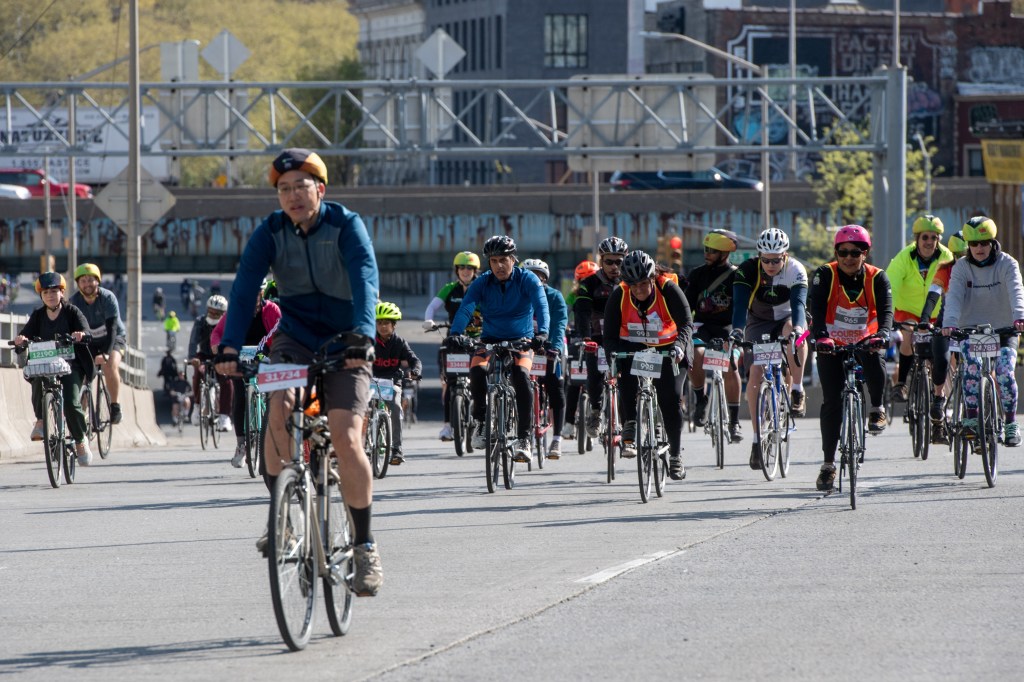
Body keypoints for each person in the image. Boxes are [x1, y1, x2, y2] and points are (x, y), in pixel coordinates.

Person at [214, 148, 382, 597]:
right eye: (283, 190)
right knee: (279, 409)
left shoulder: (346, 225)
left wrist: (364, 335)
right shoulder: (270, 232)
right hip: (296, 337)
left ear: (320, 189)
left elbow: (365, 275)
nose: (292, 196)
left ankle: (365, 546)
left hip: (348, 338)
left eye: (300, 187)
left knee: (346, 436)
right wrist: (229, 343)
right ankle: (282, 513)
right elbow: (245, 282)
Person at [447, 235, 549, 463]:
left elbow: (542, 306)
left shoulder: (528, 280)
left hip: (521, 340)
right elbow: (466, 308)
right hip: (490, 339)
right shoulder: (482, 282)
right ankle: (482, 423)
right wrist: (455, 333)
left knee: (521, 377)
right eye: (494, 261)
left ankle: (524, 438)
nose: (499, 266)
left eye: (504, 260)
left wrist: (543, 333)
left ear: (513, 259)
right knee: (476, 370)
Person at [809, 226, 893, 490]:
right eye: (842, 252)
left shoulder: (878, 278)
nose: (848, 258)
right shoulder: (824, 274)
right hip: (830, 341)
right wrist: (821, 336)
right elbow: (817, 308)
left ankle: (877, 408)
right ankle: (828, 466)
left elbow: (887, 311)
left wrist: (883, 333)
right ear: (836, 252)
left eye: (855, 253)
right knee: (832, 401)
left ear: (865, 253)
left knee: (875, 355)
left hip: (865, 337)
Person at [603, 250, 694, 481]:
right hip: (635, 346)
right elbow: (610, 336)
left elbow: (686, 324)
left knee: (670, 398)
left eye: (644, 284)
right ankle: (631, 422)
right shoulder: (619, 294)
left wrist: (679, 347)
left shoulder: (668, 289)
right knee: (623, 370)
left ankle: (675, 455)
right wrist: (613, 354)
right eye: (634, 285)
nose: (639, 290)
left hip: (670, 346)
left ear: (653, 278)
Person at [730, 227, 808, 470]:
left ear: (785, 256)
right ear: (759, 256)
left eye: (776, 260)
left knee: (797, 337)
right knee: (755, 372)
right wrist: (737, 331)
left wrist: (797, 328)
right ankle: (756, 439)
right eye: (766, 260)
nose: (771, 264)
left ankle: (796, 388)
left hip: (789, 319)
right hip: (758, 321)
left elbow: (799, 306)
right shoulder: (747, 270)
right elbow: (740, 306)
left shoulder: (796, 269)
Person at [941, 216, 1024, 447]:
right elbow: (954, 296)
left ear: (992, 241)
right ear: (968, 245)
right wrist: (950, 323)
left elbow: (1017, 290)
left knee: (1005, 373)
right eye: (974, 244)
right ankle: (971, 420)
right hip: (971, 329)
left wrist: (1020, 316)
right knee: (971, 370)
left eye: (984, 243)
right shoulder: (961, 267)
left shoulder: (1008, 263)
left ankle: (1009, 423)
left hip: (1005, 328)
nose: (979, 248)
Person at [14, 272, 95, 465]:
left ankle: (79, 440)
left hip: (71, 365)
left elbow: (87, 332)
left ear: (62, 292)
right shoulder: (38, 315)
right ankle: (41, 420)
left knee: (71, 402)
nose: (50, 295)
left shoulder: (72, 312)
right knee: (37, 381)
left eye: (54, 291)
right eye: (46, 292)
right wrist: (21, 340)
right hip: (45, 364)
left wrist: (80, 335)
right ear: (41, 296)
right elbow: (25, 336)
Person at [210, 280, 282, 468]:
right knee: (240, 396)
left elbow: (280, 332)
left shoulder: (272, 310)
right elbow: (218, 332)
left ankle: (271, 437)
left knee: (273, 397)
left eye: (256, 292)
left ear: (262, 293)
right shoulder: (236, 311)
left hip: (264, 356)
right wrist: (217, 346)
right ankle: (242, 444)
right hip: (241, 359)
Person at [885, 214, 954, 405]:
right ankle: (901, 384)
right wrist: (888, 315)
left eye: (934, 238)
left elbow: (952, 286)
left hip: (935, 311)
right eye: (925, 237)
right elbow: (891, 286)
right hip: (908, 308)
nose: (929, 242)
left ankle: (938, 391)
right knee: (908, 336)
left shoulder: (947, 256)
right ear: (917, 238)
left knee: (937, 350)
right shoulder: (904, 258)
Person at [684, 229, 743, 443]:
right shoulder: (697, 274)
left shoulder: (737, 276)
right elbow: (687, 306)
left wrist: (740, 331)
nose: (707, 253)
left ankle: (734, 421)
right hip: (702, 325)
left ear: (725, 252)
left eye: (712, 250)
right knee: (696, 354)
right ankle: (701, 400)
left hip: (727, 327)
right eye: (706, 249)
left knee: (731, 362)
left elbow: (742, 308)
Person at [422, 251, 482, 442]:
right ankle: (448, 425)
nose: (465, 271)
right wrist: (428, 320)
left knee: (483, 377)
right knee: (451, 382)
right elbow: (432, 307)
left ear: (475, 271)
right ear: (457, 270)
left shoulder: (482, 287)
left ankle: (484, 419)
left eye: (469, 268)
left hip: (479, 340)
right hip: (455, 341)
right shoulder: (449, 289)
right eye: (462, 267)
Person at [575, 236, 629, 437]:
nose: (614, 266)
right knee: (595, 372)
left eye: (619, 262)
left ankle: (628, 423)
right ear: (601, 261)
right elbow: (581, 311)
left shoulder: (630, 282)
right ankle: (596, 411)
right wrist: (584, 337)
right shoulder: (589, 283)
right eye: (609, 261)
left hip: (624, 337)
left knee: (627, 379)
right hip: (597, 336)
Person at [521, 258, 569, 459]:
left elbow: (559, 325)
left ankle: (557, 438)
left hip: (549, 347)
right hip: (523, 346)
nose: (534, 279)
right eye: (530, 275)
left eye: (538, 276)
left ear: (545, 279)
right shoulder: (519, 294)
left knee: (556, 387)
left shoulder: (554, 296)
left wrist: (555, 348)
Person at [69, 263, 127, 425]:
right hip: (90, 341)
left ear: (98, 281)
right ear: (78, 284)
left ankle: (115, 406)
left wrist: (106, 353)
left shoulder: (107, 298)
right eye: (83, 281)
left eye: (91, 280)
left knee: (110, 365)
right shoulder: (74, 301)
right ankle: (82, 416)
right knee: (84, 373)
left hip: (113, 338)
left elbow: (113, 328)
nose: (87, 284)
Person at [371, 302, 422, 465]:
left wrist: (415, 372)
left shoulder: (399, 342)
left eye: (386, 323)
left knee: (395, 406)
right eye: (379, 323)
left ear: (394, 325)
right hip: (370, 381)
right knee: (358, 408)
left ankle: (397, 449)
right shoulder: (369, 341)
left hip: (391, 382)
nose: (383, 327)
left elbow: (414, 360)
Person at [562, 260, 599, 439]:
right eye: (583, 279)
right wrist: (566, 328)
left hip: (600, 339)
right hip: (578, 339)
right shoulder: (573, 296)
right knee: (574, 382)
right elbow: (566, 313)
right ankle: (568, 422)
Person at [188, 294, 233, 430]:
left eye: (217, 313)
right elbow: (193, 341)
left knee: (226, 381)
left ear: (223, 313)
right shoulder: (200, 321)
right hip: (203, 354)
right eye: (210, 311)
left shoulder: (228, 323)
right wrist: (192, 358)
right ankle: (196, 405)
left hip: (221, 356)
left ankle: (225, 416)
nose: (213, 315)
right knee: (198, 373)